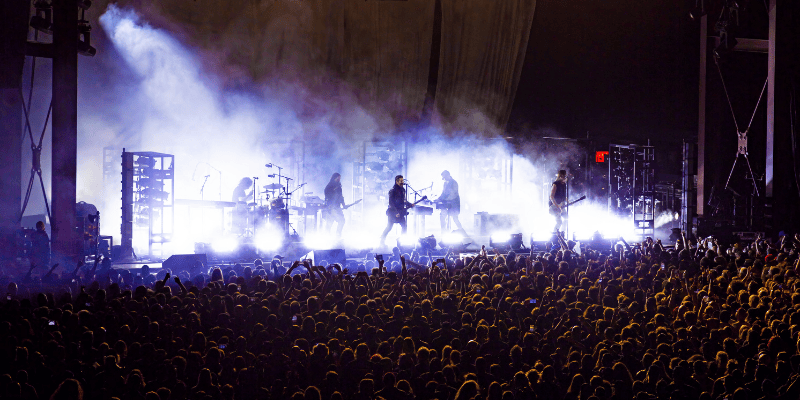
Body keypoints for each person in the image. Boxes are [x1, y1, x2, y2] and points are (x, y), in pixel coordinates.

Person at [380, 175, 414, 246]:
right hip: (393, 212)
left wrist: (410, 204)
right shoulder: (392, 191)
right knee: (389, 227)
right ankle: (382, 240)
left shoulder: (403, 190)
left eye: (403, 180)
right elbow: (391, 203)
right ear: (397, 181)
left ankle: (401, 241)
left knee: (404, 226)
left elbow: (404, 201)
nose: (402, 182)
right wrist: (395, 212)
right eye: (401, 181)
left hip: (400, 212)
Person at [437, 170, 464, 235]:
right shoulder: (445, 183)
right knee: (442, 216)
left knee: (455, 218)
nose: (444, 179)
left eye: (444, 177)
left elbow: (453, 194)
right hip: (448, 203)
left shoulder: (454, 183)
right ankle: (443, 232)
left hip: (454, 203)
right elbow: (443, 193)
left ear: (448, 175)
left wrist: (445, 199)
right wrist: (439, 199)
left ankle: (462, 232)